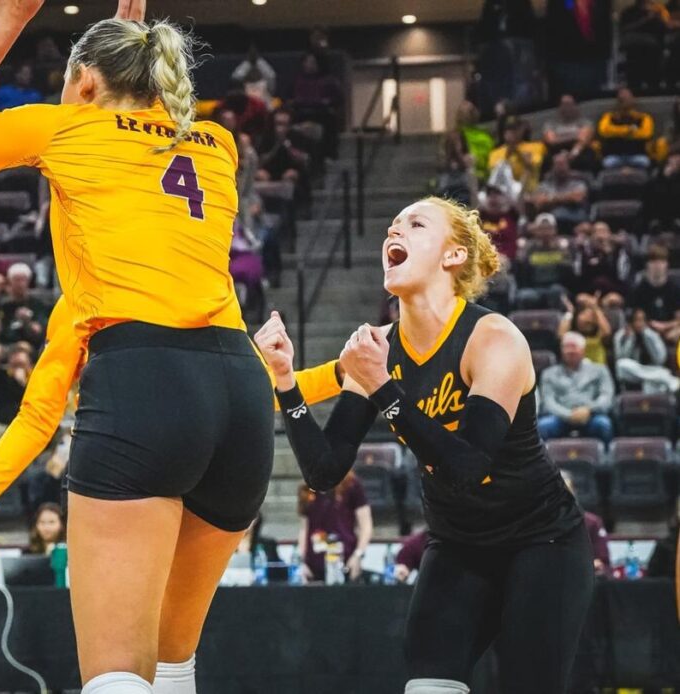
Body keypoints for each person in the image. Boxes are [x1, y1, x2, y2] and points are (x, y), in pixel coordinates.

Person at [0, 2, 333, 687]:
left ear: (80, 83)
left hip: (146, 383)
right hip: (239, 393)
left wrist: (8, 22)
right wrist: (117, 39)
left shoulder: (69, 144)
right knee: (173, 666)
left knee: (115, 675)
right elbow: (107, 138)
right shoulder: (217, 144)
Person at [257, 196, 592, 693]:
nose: (394, 232)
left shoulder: (493, 338)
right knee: (427, 686)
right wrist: (285, 380)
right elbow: (324, 471)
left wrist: (382, 387)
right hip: (458, 545)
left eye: (414, 224)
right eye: (391, 226)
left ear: (453, 256)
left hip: (542, 542)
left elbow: (466, 465)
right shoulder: (377, 349)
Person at [538, 331, 616, 443]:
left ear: (583, 350)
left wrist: (588, 410)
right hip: (560, 417)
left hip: (591, 415)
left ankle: (607, 459)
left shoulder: (600, 370)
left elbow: (606, 398)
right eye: (566, 347)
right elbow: (548, 402)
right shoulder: (549, 373)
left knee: (604, 424)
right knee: (543, 426)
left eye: (574, 347)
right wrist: (569, 415)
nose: (570, 351)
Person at [295, 472, 372, 583]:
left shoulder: (351, 484)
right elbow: (304, 528)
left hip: (345, 563)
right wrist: (302, 562)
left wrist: (358, 555)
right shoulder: (307, 487)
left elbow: (366, 525)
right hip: (314, 565)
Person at [614, 308, 680, 393]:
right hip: (632, 372)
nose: (639, 324)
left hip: (651, 369)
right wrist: (630, 339)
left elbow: (660, 359)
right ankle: (666, 378)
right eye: (637, 320)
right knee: (621, 365)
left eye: (642, 320)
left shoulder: (651, 334)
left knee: (652, 383)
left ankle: (660, 377)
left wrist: (647, 336)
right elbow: (620, 358)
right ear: (630, 322)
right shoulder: (620, 335)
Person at [559, 472, 610, 575]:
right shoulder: (540, 524)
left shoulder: (592, 522)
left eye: (567, 491)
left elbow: (601, 561)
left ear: (574, 492)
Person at [597, 88, 655, 169]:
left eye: (627, 98)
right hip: (614, 156)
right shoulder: (609, 116)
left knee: (645, 163)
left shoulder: (644, 117)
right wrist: (628, 130)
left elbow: (646, 134)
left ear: (633, 99)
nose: (624, 100)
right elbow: (604, 131)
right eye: (621, 99)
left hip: (637, 155)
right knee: (607, 163)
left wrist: (616, 132)